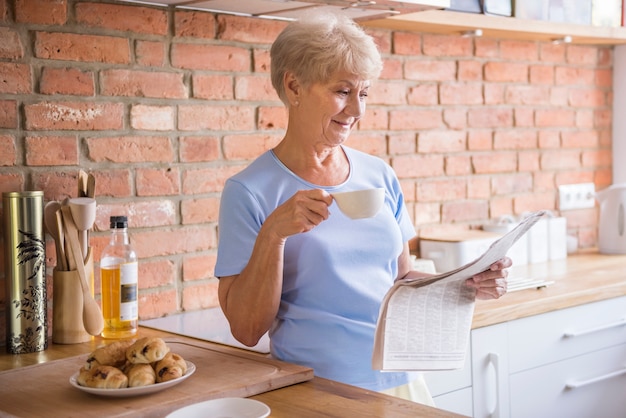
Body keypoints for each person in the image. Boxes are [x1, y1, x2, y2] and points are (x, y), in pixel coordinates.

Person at [214, 12, 510, 405]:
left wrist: (468, 281)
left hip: (400, 381)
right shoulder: (249, 191)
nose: (357, 110)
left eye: (364, 93)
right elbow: (247, 330)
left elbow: (400, 277)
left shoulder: (378, 174)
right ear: (293, 85)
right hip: (319, 390)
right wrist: (274, 234)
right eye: (342, 90)